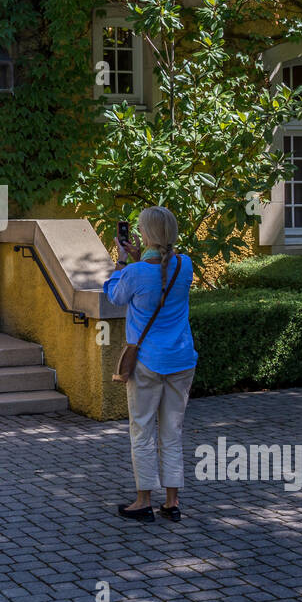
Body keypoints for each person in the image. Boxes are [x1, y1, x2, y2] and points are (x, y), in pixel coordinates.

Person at [102, 206, 198, 525]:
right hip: (182, 359)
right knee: (172, 430)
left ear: (146, 233)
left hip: (147, 361)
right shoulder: (185, 265)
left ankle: (143, 501)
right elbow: (163, 270)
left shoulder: (134, 272)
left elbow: (115, 297)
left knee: (142, 428)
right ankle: (172, 502)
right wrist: (142, 255)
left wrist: (122, 260)